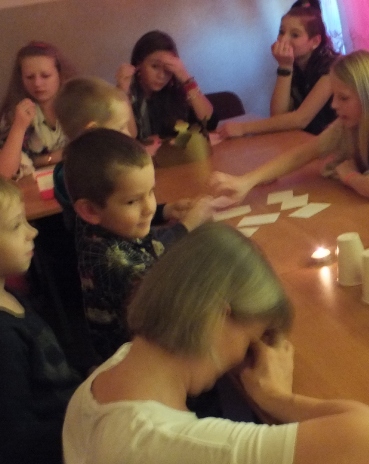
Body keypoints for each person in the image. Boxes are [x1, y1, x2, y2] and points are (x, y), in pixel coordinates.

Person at [62, 222, 369, 464]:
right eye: (250, 341)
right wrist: (277, 397)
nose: (244, 360)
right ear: (217, 315)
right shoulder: (165, 443)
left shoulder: (107, 376)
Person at [210, 50, 369, 202]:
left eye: (343, 98)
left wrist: (349, 175)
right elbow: (302, 154)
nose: (334, 105)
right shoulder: (356, 120)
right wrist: (247, 181)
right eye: (334, 96)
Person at [63, 129, 214, 361]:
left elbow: (140, 236)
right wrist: (186, 227)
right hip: (139, 361)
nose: (149, 207)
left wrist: (165, 210)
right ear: (90, 210)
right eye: (133, 201)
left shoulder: (98, 222)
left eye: (151, 192)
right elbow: (179, 316)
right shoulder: (124, 265)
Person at [0, 178, 82, 464]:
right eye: (16, 225)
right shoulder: (4, 338)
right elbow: (18, 440)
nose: (32, 231)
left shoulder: (9, 295)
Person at [53, 76, 191, 231]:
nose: (128, 134)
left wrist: (165, 211)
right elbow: (122, 231)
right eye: (120, 127)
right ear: (93, 130)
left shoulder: (98, 165)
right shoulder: (89, 175)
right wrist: (184, 227)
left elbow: (126, 213)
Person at [218, 0, 339, 137]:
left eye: (295, 35)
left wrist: (243, 128)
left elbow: (301, 119)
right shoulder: (293, 64)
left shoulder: (333, 66)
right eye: (281, 32)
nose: (283, 40)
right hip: (310, 139)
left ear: (315, 41)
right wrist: (285, 67)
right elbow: (278, 115)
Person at [116, 30, 216, 141]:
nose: (161, 76)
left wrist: (186, 78)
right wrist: (123, 92)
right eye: (155, 66)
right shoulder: (127, 92)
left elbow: (209, 123)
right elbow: (125, 138)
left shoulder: (174, 90)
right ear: (139, 64)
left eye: (168, 69)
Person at [0, 41, 75, 179]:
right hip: (33, 187)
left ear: (60, 74)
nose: (37, 83)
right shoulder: (13, 113)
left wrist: (42, 160)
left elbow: (95, 148)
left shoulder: (78, 104)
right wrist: (19, 126)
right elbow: (4, 174)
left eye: (45, 76)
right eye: (29, 77)